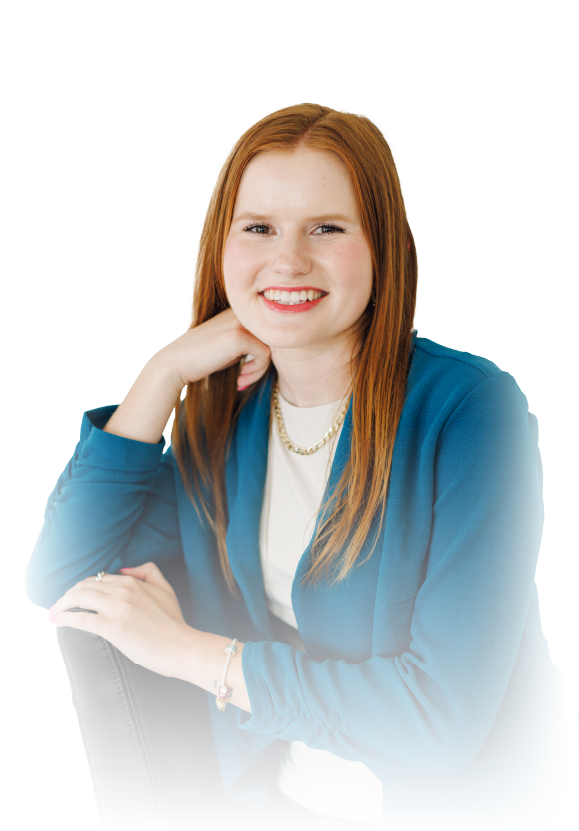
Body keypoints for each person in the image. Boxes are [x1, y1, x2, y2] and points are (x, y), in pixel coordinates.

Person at [25, 102, 575, 831]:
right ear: (222, 246)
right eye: (258, 228)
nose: (288, 260)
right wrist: (162, 373)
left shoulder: (470, 411)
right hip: (268, 802)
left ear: (381, 246)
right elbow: (64, 577)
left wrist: (198, 657)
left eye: (326, 227)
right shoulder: (222, 418)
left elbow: (437, 721)